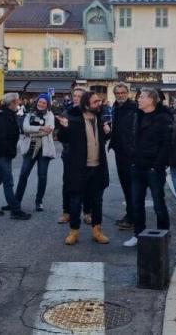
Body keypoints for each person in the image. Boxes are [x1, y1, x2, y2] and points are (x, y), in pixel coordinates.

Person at [56, 92, 111, 245]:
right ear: (87, 105)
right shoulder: (74, 119)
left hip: (98, 167)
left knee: (97, 202)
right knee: (75, 201)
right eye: (95, 102)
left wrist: (107, 132)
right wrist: (65, 128)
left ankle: (97, 231)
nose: (99, 103)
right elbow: (63, 139)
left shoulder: (99, 119)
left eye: (99, 101)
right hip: (79, 168)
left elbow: (100, 141)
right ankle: (74, 231)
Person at [123, 88, 172, 248]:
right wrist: (131, 159)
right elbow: (133, 139)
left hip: (153, 169)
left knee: (158, 203)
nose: (138, 99)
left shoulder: (163, 118)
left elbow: (166, 145)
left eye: (142, 97)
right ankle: (138, 234)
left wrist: (157, 166)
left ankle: (163, 235)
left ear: (151, 100)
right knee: (137, 202)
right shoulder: (138, 115)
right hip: (137, 166)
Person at [0, 93, 30, 220]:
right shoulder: (2, 116)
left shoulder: (6, 114)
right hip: (2, 153)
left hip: (3, 152)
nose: (19, 104)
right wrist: (10, 150)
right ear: (12, 103)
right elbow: (1, 137)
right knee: (8, 181)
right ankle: (15, 210)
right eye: (17, 102)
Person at [13, 94, 57, 213]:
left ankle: (39, 201)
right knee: (23, 175)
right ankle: (16, 201)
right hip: (30, 148)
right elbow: (25, 128)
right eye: (40, 102)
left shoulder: (50, 115)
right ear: (37, 102)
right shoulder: (29, 114)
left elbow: (49, 129)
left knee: (42, 176)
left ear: (47, 104)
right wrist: (40, 129)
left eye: (44, 103)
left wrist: (34, 131)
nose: (41, 104)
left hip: (44, 149)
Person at [109, 83, 137, 230]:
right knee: (125, 185)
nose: (120, 95)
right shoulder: (116, 108)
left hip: (130, 153)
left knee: (131, 186)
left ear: (127, 93)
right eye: (117, 93)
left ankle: (132, 217)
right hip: (119, 151)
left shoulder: (133, 108)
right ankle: (130, 215)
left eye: (122, 93)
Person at [57, 88, 87, 224]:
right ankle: (66, 212)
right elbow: (61, 137)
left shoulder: (89, 113)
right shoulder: (66, 113)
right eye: (74, 96)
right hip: (69, 155)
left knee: (88, 184)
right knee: (68, 184)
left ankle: (88, 212)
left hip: (86, 155)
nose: (76, 98)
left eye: (79, 96)